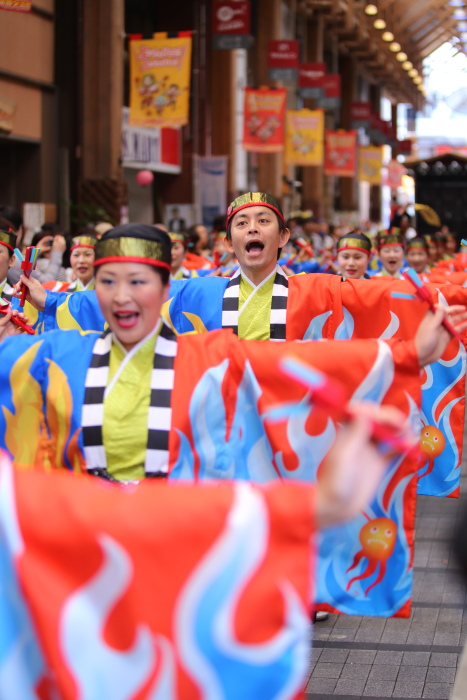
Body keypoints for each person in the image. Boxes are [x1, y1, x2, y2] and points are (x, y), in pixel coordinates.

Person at [2, 222, 464, 482]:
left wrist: (409, 352)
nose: (123, 296)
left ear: (167, 291)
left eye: (139, 282)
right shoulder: (60, 355)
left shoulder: (208, 358)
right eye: (108, 282)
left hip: (262, 426)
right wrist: (50, 302)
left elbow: (315, 355)